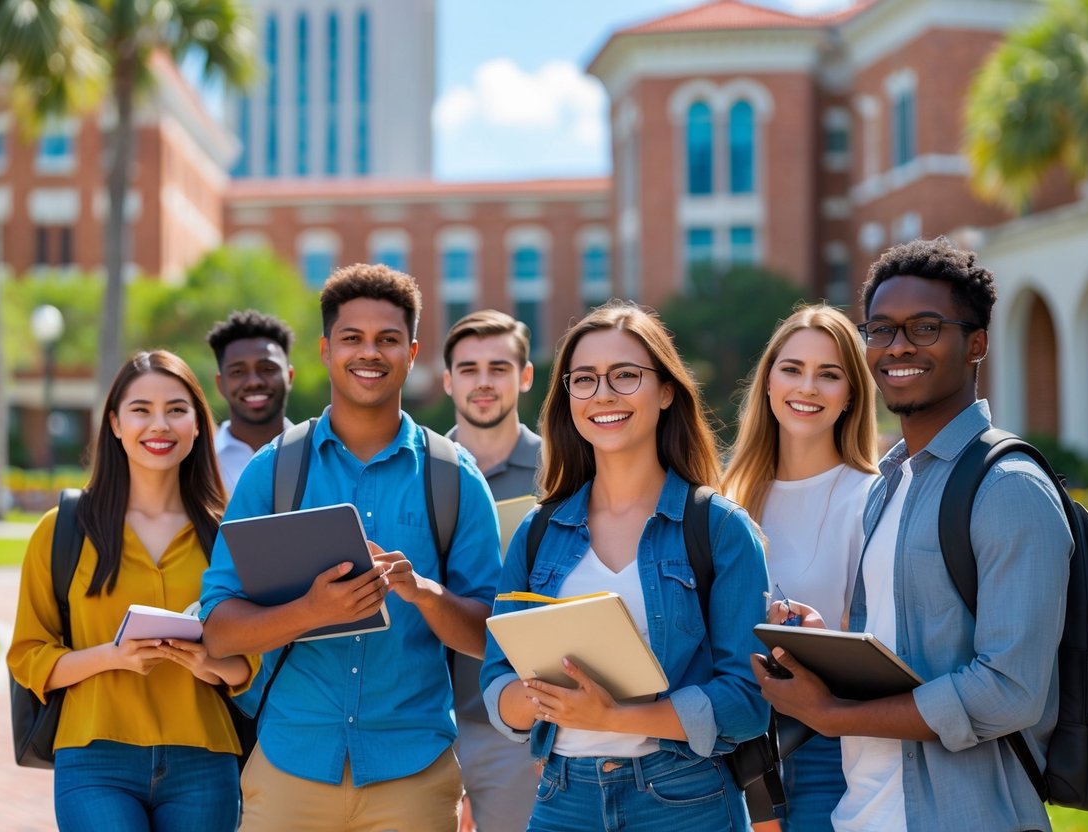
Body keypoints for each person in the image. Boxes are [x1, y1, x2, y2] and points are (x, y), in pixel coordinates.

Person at [753, 237, 1072, 832]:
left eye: (925, 328)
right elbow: (906, 652)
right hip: (861, 813)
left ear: (976, 343)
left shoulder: (1008, 487)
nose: (898, 347)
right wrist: (832, 651)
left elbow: (1009, 691)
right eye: (881, 329)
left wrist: (833, 712)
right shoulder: (890, 484)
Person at [199, 264, 501, 832]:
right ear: (324, 348)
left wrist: (428, 595)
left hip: (412, 774)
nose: (370, 353)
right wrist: (312, 613)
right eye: (352, 338)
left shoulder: (454, 477)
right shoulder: (273, 472)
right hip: (290, 766)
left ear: (412, 353)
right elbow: (218, 629)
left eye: (388, 339)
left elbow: (494, 635)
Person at [482, 300, 771, 831]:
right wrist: (546, 700)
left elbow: (748, 701)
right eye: (584, 379)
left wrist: (615, 717)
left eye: (625, 375)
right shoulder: (536, 533)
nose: (604, 394)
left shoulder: (720, 529)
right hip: (562, 799)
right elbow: (497, 682)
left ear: (665, 391)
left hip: (686, 800)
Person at [8, 350, 255, 832]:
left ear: (199, 425)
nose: (159, 425)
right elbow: (28, 656)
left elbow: (252, 660)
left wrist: (206, 662)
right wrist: (114, 656)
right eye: (141, 410)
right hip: (95, 760)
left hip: (205, 761)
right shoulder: (63, 530)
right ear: (116, 424)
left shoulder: (231, 535)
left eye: (176, 410)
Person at [724, 304, 879, 831]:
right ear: (768, 382)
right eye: (792, 369)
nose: (807, 387)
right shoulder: (725, 501)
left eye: (829, 374)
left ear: (852, 393)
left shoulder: (875, 498)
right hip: (726, 748)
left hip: (826, 750)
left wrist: (820, 637)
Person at [442, 309, 542, 832]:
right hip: (426, 724)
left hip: (523, 726)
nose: (484, 383)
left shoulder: (563, 473)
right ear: (447, 380)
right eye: (469, 369)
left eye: (499, 368)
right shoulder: (422, 470)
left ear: (525, 377)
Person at [206, 310, 296, 496]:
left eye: (267, 368)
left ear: (289, 376)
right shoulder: (198, 464)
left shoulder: (320, 456)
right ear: (220, 384)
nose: (254, 382)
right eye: (238, 372)